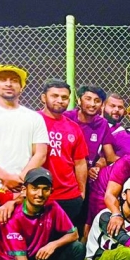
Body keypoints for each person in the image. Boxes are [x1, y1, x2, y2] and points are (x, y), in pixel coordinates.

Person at [38, 80, 89, 224]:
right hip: (38, 193)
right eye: (54, 96)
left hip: (69, 196)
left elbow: (80, 163)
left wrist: (81, 192)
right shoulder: (33, 121)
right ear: (43, 97)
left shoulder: (73, 127)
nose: (60, 100)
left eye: (64, 97)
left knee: (68, 236)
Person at [63, 85, 109, 172]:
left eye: (97, 101)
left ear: (102, 104)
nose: (92, 104)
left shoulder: (103, 123)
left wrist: (98, 166)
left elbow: (109, 156)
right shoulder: (66, 118)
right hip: (65, 169)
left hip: (87, 171)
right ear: (79, 100)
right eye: (88, 99)